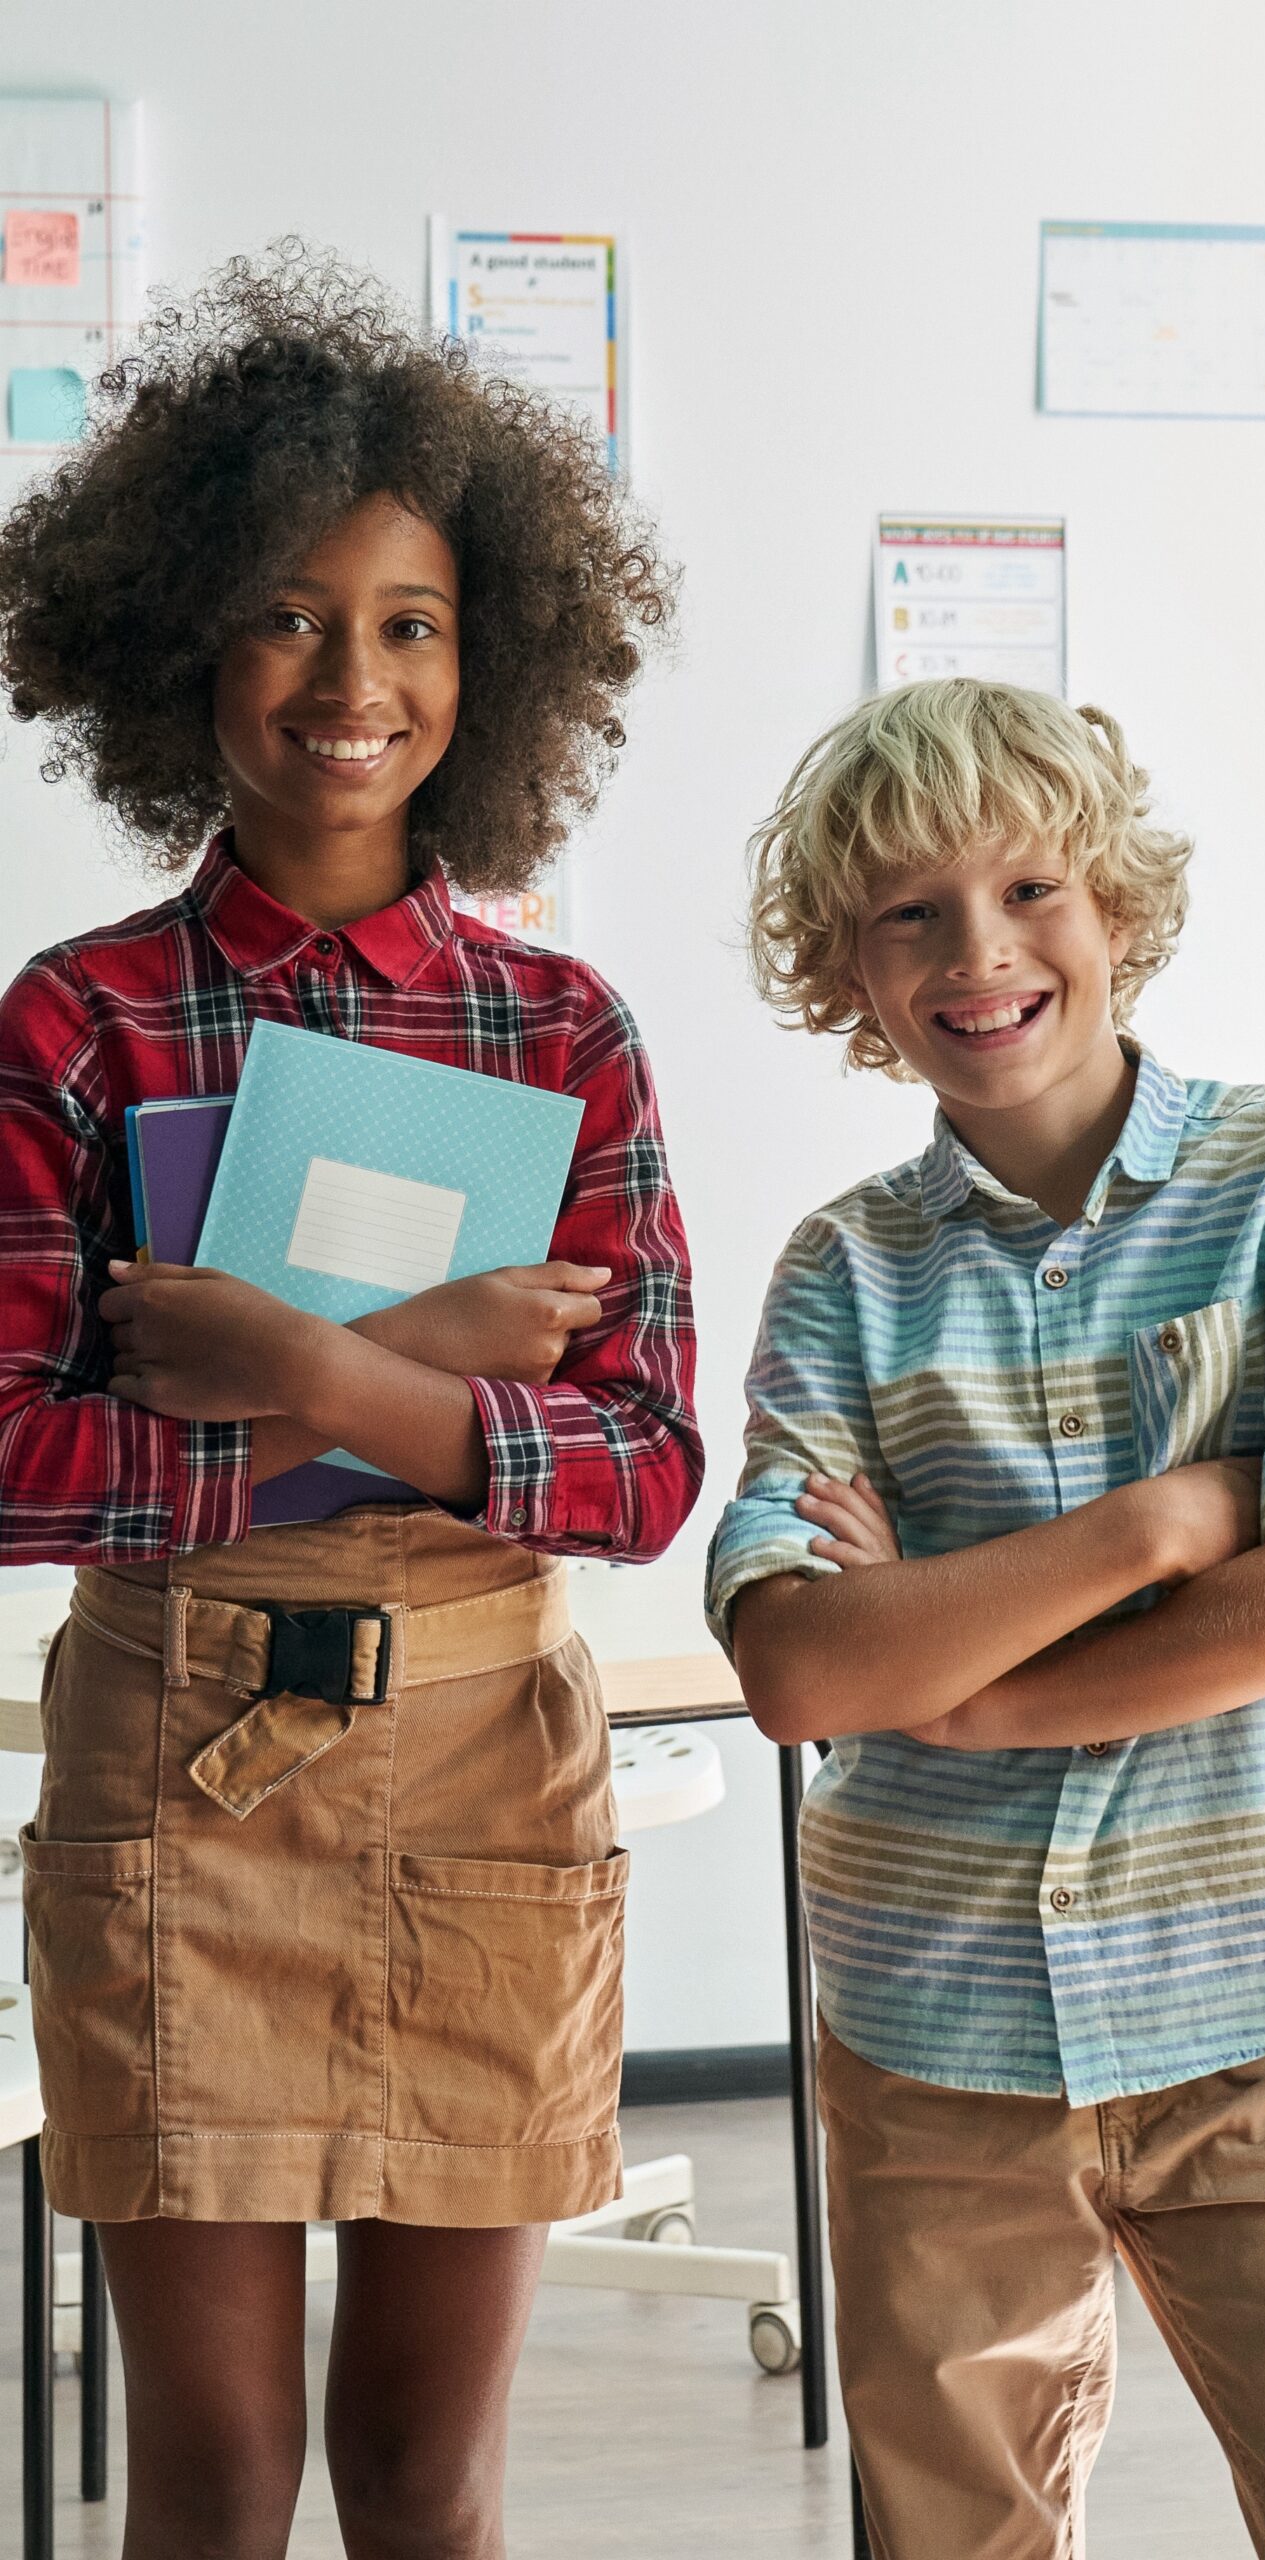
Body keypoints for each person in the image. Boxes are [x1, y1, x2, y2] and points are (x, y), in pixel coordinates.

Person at [0, 251, 700, 2557]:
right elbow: (9, 1451)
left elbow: (642, 1465)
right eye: (290, 616)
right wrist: (429, 1369)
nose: (351, 680)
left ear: (484, 664)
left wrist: (304, 1363)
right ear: (178, 633)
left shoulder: (564, 1026)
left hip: (485, 1773)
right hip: (178, 1773)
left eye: (407, 624)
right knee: (210, 2487)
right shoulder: (79, 1023)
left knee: (426, 2485)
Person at [709, 675, 1265, 2560]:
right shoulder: (840, 1269)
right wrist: (1165, 1519)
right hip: (929, 2041)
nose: (981, 954)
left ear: (1117, 909)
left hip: (1256, 2034)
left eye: (1032, 889)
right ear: (853, 974)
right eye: (910, 915)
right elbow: (806, 1666)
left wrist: (959, 1678)